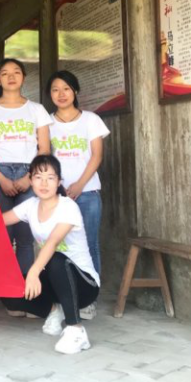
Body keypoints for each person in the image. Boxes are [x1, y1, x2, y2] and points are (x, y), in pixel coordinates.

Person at [1, 155, 100, 355]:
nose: (44, 183)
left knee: (56, 259)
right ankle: (56, 310)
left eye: (50, 178)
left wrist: (33, 272)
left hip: (84, 285)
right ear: (30, 180)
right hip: (56, 281)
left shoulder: (68, 206)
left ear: (59, 182)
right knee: (10, 291)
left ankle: (76, 330)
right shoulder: (30, 206)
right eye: (38, 177)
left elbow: (53, 242)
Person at [0, 58, 52, 306]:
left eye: (16, 72)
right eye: (5, 73)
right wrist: (1, 179)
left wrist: (29, 178)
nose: (11, 77)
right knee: (3, 236)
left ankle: (24, 294)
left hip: (29, 172)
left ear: (23, 77)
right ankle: (7, 295)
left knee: (25, 237)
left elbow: (44, 149)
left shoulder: (37, 109)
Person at [47, 70, 110, 320]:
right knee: (58, 244)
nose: (61, 94)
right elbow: (45, 157)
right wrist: (59, 186)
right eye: (55, 90)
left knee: (89, 244)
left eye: (66, 88)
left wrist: (79, 185)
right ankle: (63, 296)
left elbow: (97, 155)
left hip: (87, 192)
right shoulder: (47, 123)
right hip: (57, 194)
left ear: (75, 91)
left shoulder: (91, 120)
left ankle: (89, 299)